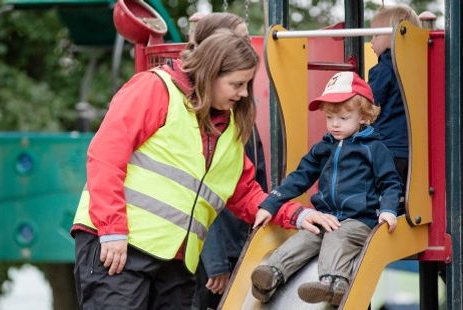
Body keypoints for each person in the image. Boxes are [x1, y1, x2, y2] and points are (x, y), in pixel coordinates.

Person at [71, 30, 339, 309]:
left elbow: (245, 194)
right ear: (210, 73)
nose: (244, 93)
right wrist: (112, 231)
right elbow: (105, 157)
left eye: (247, 84)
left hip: (176, 262)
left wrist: (295, 214)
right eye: (237, 84)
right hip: (121, 247)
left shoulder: (229, 128)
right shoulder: (155, 89)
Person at [249, 71, 402, 306]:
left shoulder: (374, 148)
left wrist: (389, 209)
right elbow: (300, 177)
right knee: (306, 236)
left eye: (343, 117)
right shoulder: (324, 147)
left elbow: (390, 182)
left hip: (359, 221)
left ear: (363, 116)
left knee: (337, 236)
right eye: (330, 117)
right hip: (328, 217)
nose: (335, 124)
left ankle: (334, 284)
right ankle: (271, 275)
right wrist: (272, 201)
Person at [184, 12, 267, 310]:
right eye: (240, 39)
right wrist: (216, 258)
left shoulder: (232, 106)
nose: (248, 45)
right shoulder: (209, 114)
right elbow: (206, 190)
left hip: (237, 236)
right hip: (216, 249)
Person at [369, 4, 421, 186]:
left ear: (395, 36)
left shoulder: (383, 68)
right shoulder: (419, 66)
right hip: (414, 150)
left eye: (376, 35)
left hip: (386, 148)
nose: (371, 42)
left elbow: (370, 106)